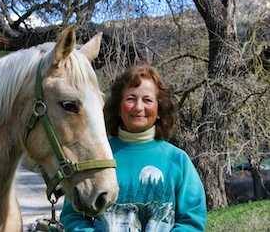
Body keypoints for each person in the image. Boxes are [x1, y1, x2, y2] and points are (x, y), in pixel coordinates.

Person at [60, 63, 207, 231]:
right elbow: (73, 216)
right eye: (130, 99)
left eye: (147, 100)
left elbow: (192, 221)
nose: (139, 107)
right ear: (117, 108)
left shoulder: (178, 160)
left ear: (159, 110)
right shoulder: (94, 156)